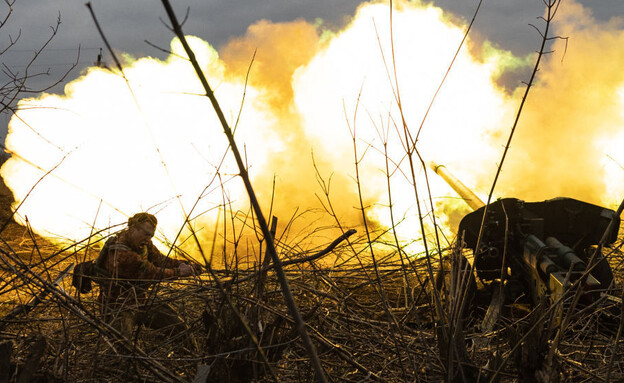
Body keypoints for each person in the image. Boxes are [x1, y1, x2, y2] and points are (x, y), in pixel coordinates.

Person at [96, 212, 200, 346]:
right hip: (118, 308)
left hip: (140, 301)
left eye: (151, 235)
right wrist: (179, 272)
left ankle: (196, 363)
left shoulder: (144, 244)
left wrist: (183, 264)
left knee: (181, 329)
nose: (148, 238)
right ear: (133, 229)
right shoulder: (119, 252)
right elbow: (149, 272)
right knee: (121, 348)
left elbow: (160, 260)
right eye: (146, 234)